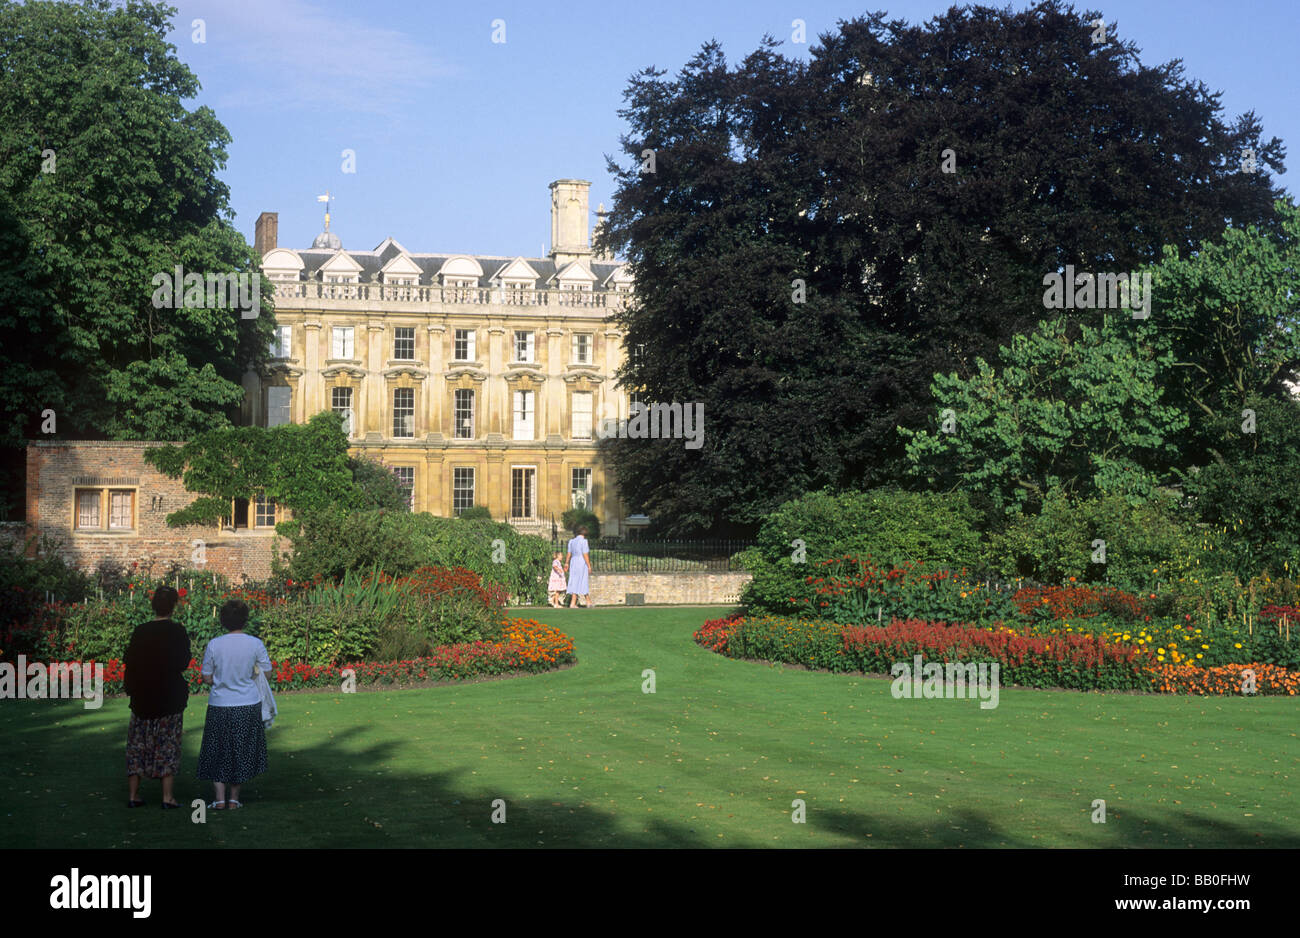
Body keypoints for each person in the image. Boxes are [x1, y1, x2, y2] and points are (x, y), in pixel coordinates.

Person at [196, 599, 272, 810]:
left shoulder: (214, 644)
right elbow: (267, 673)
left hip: (220, 704)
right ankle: (234, 799)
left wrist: (217, 680)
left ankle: (219, 799)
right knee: (240, 750)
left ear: (223, 620)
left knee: (218, 749)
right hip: (247, 703)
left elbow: (206, 676)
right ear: (245, 620)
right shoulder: (255, 643)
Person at [123, 585, 191, 809]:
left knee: (137, 745)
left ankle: (133, 795)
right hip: (168, 696)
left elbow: (130, 662)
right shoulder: (178, 632)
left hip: (143, 696)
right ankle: (167, 797)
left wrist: (131, 689)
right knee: (167, 745)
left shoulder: (140, 631)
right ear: (173, 607)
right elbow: (183, 663)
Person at [566, 525, 592, 609]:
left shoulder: (571, 541)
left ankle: (585, 601)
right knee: (582, 580)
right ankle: (585, 602)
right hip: (581, 562)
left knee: (575, 580)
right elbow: (585, 554)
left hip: (573, 562)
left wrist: (566, 563)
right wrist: (589, 566)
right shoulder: (584, 541)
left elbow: (569, 553)